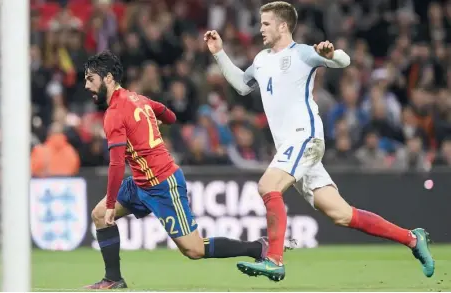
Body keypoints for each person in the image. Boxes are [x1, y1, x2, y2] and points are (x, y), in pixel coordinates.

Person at [204, 1, 434, 282]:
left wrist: (332, 53)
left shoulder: (302, 53)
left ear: (282, 25)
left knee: (267, 185)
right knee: (341, 214)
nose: (260, 28)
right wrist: (219, 54)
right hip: (291, 147)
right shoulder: (261, 60)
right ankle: (412, 238)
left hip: (305, 137)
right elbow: (241, 86)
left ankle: (274, 259)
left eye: (265, 23)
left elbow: (345, 61)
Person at [82, 51, 268, 289]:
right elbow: (169, 115)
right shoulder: (138, 99)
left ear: (107, 78)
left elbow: (117, 164)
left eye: (90, 79)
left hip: (162, 183)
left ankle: (256, 248)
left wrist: (111, 204)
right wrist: (154, 122)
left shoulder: (114, 113)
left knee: (193, 249)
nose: (87, 85)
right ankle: (113, 279)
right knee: (99, 216)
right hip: (140, 182)